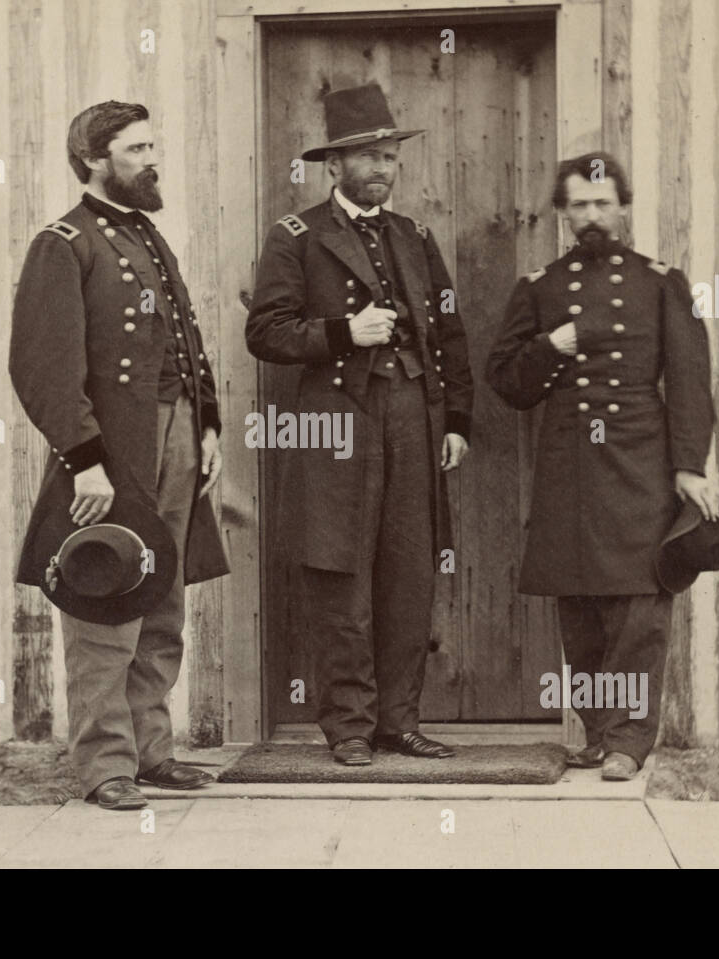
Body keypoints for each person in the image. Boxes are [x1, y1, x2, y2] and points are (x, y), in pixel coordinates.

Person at [246, 83, 474, 766]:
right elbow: (266, 331)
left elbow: (450, 333)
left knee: (409, 569)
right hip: (337, 423)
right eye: (367, 157)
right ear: (334, 166)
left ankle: (397, 721)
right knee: (339, 570)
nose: (381, 169)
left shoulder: (414, 236)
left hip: (414, 415)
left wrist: (457, 419)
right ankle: (348, 725)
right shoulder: (296, 236)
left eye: (388, 157)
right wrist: (346, 331)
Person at [10, 101, 229, 809]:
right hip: (114, 450)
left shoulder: (146, 236)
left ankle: (152, 752)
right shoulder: (63, 242)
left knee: (161, 597)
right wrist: (85, 460)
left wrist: (207, 426)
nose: (151, 158)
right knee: (106, 599)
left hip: (176, 438)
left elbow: (184, 343)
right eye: (136, 149)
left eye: (151, 144)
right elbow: (43, 367)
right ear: (96, 160)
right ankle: (106, 765)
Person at [485, 151, 715, 781]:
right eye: (579, 205)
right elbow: (506, 381)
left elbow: (691, 380)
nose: (592, 214)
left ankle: (629, 741)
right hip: (569, 464)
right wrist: (549, 346)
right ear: (562, 213)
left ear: (622, 207)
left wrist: (689, 466)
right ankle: (595, 732)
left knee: (641, 604)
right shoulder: (539, 287)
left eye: (603, 202)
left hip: (641, 458)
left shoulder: (661, 281)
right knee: (580, 604)